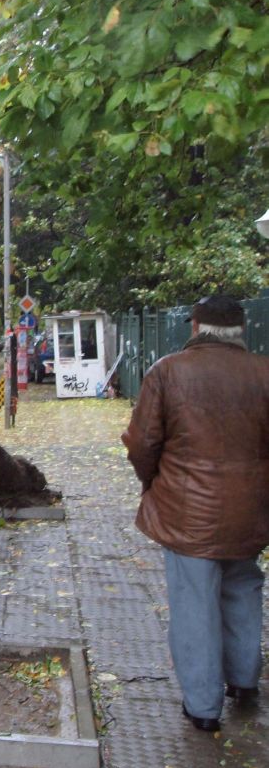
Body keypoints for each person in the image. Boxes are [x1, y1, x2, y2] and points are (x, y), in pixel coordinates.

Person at [122, 294, 269, 732]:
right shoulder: (264, 373)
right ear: (239, 330)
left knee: (195, 602)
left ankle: (203, 707)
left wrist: (152, 483)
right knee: (244, 587)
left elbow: (142, 443)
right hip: (251, 510)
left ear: (195, 326)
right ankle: (245, 682)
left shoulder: (168, 372)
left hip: (189, 515)